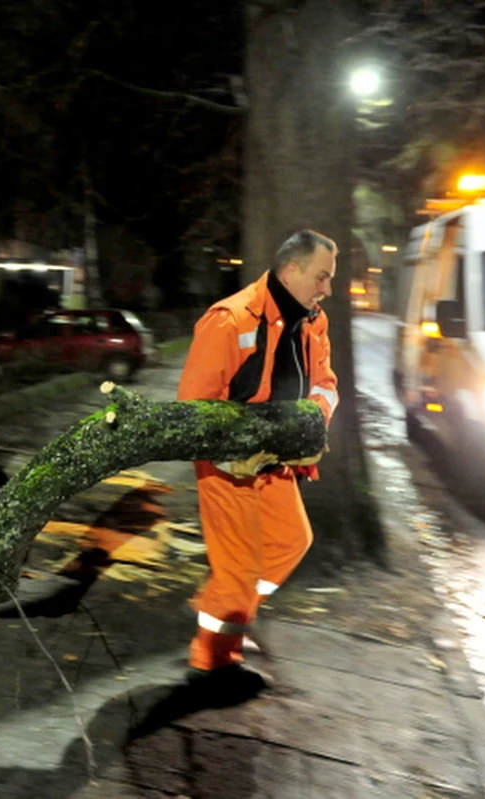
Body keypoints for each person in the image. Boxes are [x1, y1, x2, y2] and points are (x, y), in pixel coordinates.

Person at [176, 229, 339, 703]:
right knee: (240, 567)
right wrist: (234, 451)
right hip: (227, 467)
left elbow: (325, 385)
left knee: (292, 540)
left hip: (275, 461)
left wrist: (312, 422)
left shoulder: (314, 321)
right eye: (322, 277)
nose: (327, 289)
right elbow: (193, 408)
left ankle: (231, 611)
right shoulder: (228, 321)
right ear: (291, 272)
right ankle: (213, 664)